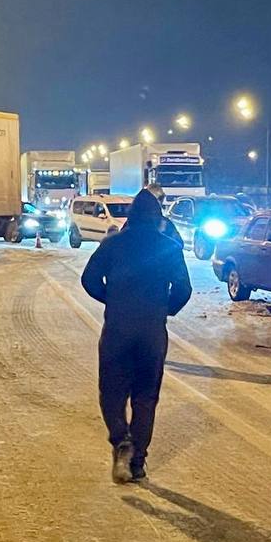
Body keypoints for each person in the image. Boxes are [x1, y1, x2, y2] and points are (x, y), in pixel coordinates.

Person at [81, 188, 192, 483]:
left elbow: (89, 279)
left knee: (112, 392)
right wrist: (164, 310)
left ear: (131, 216)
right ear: (158, 219)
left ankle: (121, 439)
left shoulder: (113, 244)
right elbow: (184, 289)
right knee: (146, 397)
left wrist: (111, 299)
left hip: (117, 329)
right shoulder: (169, 247)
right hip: (152, 333)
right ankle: (138, 462)